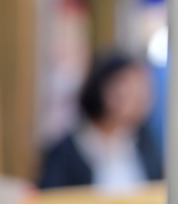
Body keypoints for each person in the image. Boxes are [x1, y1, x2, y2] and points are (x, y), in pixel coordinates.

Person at [39, 52, 163, 190]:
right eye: (128, 88)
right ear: (103, 88)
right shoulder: (65, 152)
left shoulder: (145, 142)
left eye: (142, 89)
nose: (138, 97)